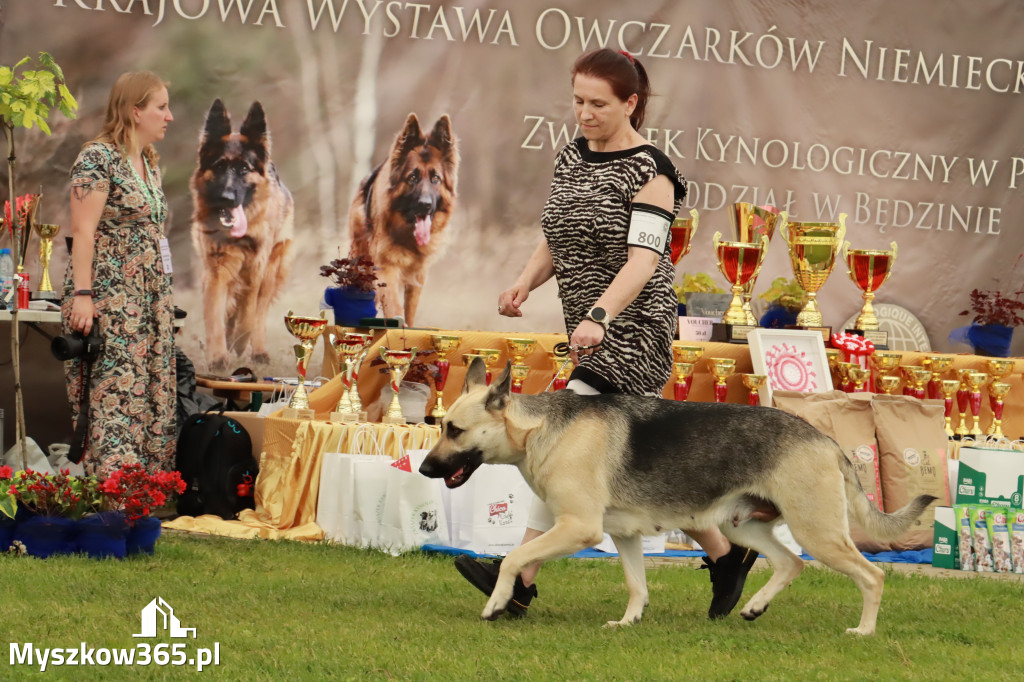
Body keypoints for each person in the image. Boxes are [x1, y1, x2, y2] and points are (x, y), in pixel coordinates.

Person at [454, 49, 757, 620]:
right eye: (578, 101)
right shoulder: (573, 156)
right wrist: (523, 283)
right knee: (629, 470)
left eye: (598, 104)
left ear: (631, 104)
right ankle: (725, 553)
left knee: (562, 442)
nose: (584, 113)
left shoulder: (653, 172)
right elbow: (558, 233)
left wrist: (600, 316)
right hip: (588, 326)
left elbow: (643, 261)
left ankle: (518, 575)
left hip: (634, 325)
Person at [63, 71, 177, 477]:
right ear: (134, 111)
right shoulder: (98, 157)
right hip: (111, 296)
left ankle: (146, 493)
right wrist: (83, 295)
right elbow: (83, 232)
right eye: (161, 107)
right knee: (116, 390)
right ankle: (114, 493)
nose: (170, 116)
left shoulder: (147, 161)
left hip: (149, 299)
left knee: (150, 390)